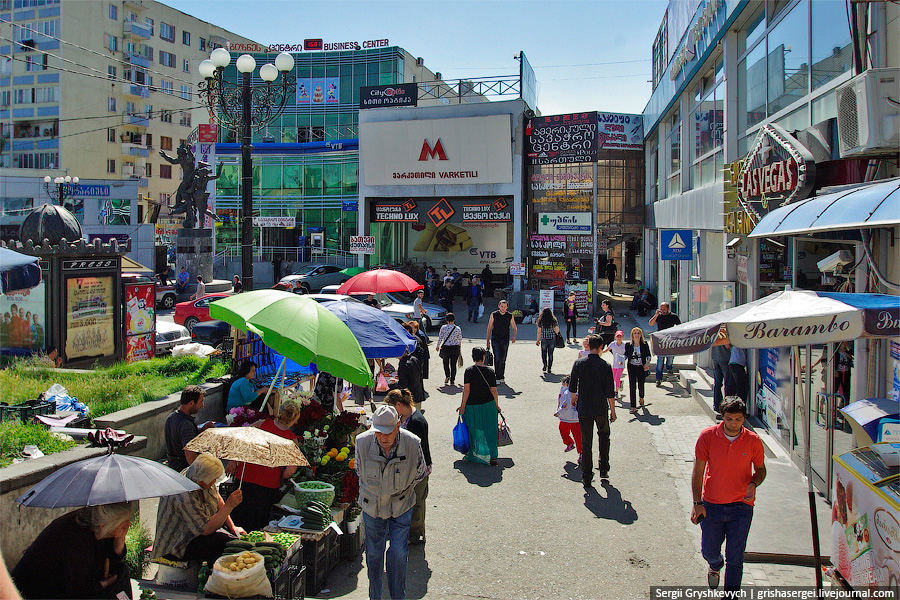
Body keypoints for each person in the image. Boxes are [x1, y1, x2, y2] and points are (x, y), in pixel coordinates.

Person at [691, 397, 766, 592]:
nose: (734, 424)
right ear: (722, 417)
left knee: (736, 558)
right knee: (709, 551)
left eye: (739, 419)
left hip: (741, 507)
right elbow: (698, 471)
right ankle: (715, 565)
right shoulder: (707, 437)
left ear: (744, 418)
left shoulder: (753, 440)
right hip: (712, 505)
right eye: (729, 419)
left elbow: (760, 469)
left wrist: (753, 483)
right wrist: (697, 502)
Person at [356, 405, 426, 600]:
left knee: (397, 553)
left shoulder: (412, 443)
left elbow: (420, 473)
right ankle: (375, 596)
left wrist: (400, 490)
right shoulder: (361, 442)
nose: (383, 437)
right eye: (378, 433)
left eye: (387, 432)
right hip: (373, 506)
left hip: (401, 506)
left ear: (398, 426)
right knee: (373, 555)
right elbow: (359, 472)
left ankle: (398, 597)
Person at [12, 502, 135, 599]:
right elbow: (78, 590)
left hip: (72, 585)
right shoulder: (77, 539)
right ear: (104, 526)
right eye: (123, 524)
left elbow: (113, 560)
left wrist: (120, 538)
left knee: (121, 574)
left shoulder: (100, 527)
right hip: (38, 589)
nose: (128, 525)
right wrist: (106, 584)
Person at [153, 453, 245, 567]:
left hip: (195, 534)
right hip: (177, 546)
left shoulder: (202, 480)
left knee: (232, 539)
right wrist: (229, 506)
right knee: (222, 545)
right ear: (201, 482)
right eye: (213, 480)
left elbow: (217, 500)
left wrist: (232, 527)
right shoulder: (183, 494)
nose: (215, 482)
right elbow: (205, 529)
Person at [230, 401, 302, 531]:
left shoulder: (262, 424)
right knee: (258, 523)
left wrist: (234, 461)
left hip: (245, 477)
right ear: (295, 419)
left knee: (239, 518)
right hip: (268, 485)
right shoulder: (291, 438)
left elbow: (242, 439)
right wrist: (280, 476)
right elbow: (291, 469)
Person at [568, 334, 616, 487]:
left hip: (584, 407)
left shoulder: (579, 363)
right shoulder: (605, 366)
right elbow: (610, 391)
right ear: (601, 347)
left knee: (586, 440)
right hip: (601, 407)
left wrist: (574, 399)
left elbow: (572, 386)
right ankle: (603, 468)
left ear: (589, 346)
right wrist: (613, 411)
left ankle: (586, 475)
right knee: (604, 437)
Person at [386, 389, 431, 545]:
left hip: (418, 468)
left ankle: (415, 535)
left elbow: (416, 451)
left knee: (417, 502)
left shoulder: (416, 421)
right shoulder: (405, 417)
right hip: (408, 468)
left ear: (399, 404)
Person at [457, 347, 500, 466]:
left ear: (472, 357)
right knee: (490, 429)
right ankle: (493, 455)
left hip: (472, 405)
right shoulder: (490, 371)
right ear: (484, 357)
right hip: (488, 404)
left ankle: (474, 452)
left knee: (472, 429)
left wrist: (462, 406)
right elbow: (494, 390)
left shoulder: (469, 371)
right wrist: (496, 405)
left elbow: (466, 390)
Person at [165, 384, 213, 472]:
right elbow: (190, 454)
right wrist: (198, 474)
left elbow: (179, 438)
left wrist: (201, 430)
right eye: (201, 401)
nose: (202, 405)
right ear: (191, 403)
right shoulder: (186, 424)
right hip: (184, 471)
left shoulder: (171, 417)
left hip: (173, 468)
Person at [485, 299, 517, 384]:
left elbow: (514, 327)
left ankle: (502, 376)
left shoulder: (509, 315)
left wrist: (514, 336)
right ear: (499, 306)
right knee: (497, 357)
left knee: (503, 358)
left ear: (507, 307)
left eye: (505, 307)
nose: (503, 308)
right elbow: (489, 327)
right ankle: (497, 376)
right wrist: (487, 340)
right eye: (501, 306)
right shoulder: (494, 314)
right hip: (495, 338)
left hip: (505, 339)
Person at [650, 302, 681, 386]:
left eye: (664, 309)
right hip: (660, 340)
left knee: (670, 358)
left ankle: (669, 367)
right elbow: (651, 323)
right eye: (661, 309)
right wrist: (656, 315)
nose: (662, 311)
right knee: (660, 360)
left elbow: (679, 326)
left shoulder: (673, 316)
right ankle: (658, 378)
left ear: (668, 309)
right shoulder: (659, 316)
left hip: (670, 340)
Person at [625, 327, 652, 413]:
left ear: (641, 335)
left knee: (641, 384)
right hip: (632, 367)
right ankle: (633, 406)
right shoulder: (628, 345)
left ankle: (641, 397)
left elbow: (648, 355)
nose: (636, 335)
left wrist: (647, 363)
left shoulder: (644, 345)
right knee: (632, 386)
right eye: (635, 333)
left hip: (641, 366)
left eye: (638, 333)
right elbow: (626, 355)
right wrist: (620, 360)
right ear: (632, 335)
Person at [555, 376, 581, 462]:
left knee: (563, 431)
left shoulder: (566, 393)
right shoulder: (579, 391)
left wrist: (558, 412)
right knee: (578, 436)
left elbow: (565, 405)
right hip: (577, 418)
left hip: (566, 418)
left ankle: (569, 443)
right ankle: (581, 453)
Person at [435, 313, 462, 386]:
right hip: (455, 347)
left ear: (446, 320)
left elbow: (440, 337)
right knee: (453, 364)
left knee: (445, 362)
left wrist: (438, 346)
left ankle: (447, 376)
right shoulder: (457, 328)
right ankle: (452, 380)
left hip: (446, 348)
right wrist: (459, 348)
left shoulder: (443, 327)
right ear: (454, 319)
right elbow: (460, 339)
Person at [535, 307, 560, 374]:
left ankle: (545, 365)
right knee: (550, 354)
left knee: (543, 353)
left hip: (544, 339)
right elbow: (557, 330)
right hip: (552, 339)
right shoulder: (553, 320)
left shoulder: (541, 321)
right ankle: (549, 368)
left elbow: (539, 331)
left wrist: (538, 340)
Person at [710, 342, 733, 414]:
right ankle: (727, 405)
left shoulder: (715, 331)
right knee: (728, 383)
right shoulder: (724, 332)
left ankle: (717, 404)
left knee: (717, 383)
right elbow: (727, 346)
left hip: (715, 357)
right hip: (725, 357)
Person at [607, 330, 627, 394]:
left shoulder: (625, 345)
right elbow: (607, 350)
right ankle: (620, 383)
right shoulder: (613, 344)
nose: (619, 338)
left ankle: (616, 392)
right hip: (615, 364)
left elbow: (627, 353)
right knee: (614, 378)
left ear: (623, 337)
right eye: (617, 336)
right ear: (615, 337)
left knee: (617, 377)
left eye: (620, 336)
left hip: (621, 364)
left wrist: (624, 359)